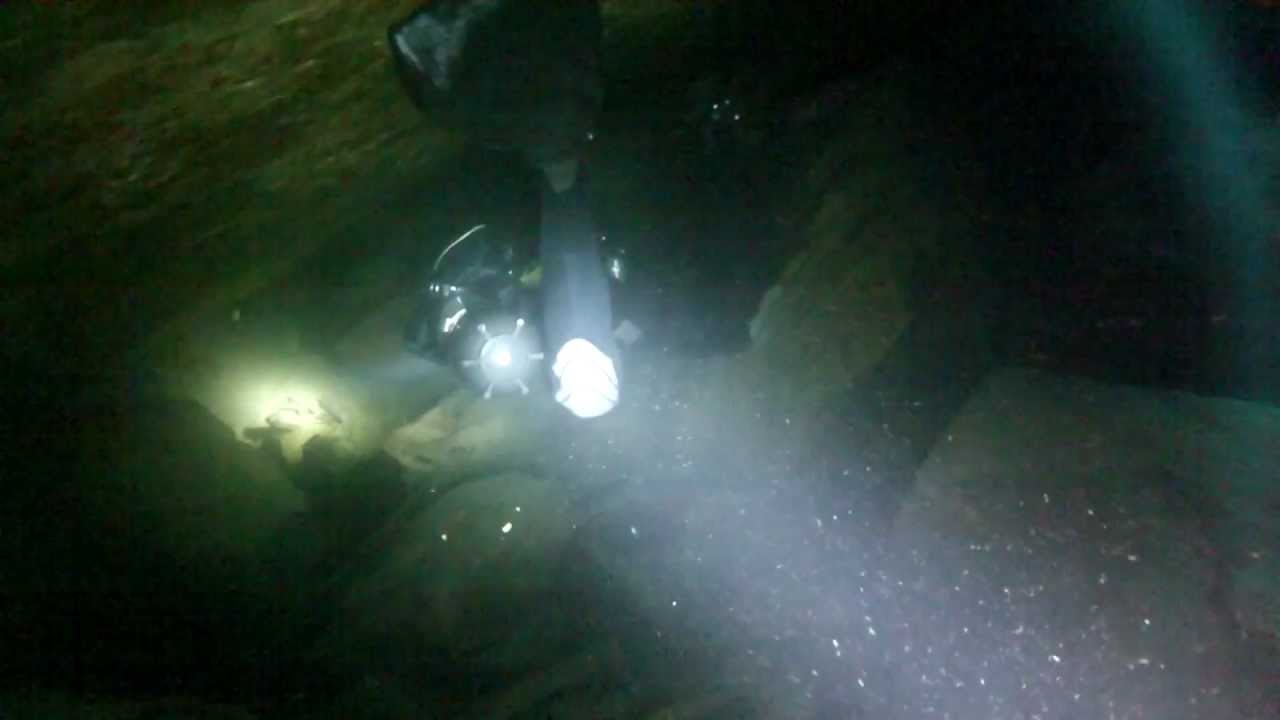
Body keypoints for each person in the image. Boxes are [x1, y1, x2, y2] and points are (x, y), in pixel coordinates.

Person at [389, 0, 619, 419]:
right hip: (527, 212)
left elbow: (439, 271)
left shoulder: (462, 346)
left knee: (520, 131)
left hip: (492, 218)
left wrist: (458, 302)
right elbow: (572, 269)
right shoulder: (579, 327)